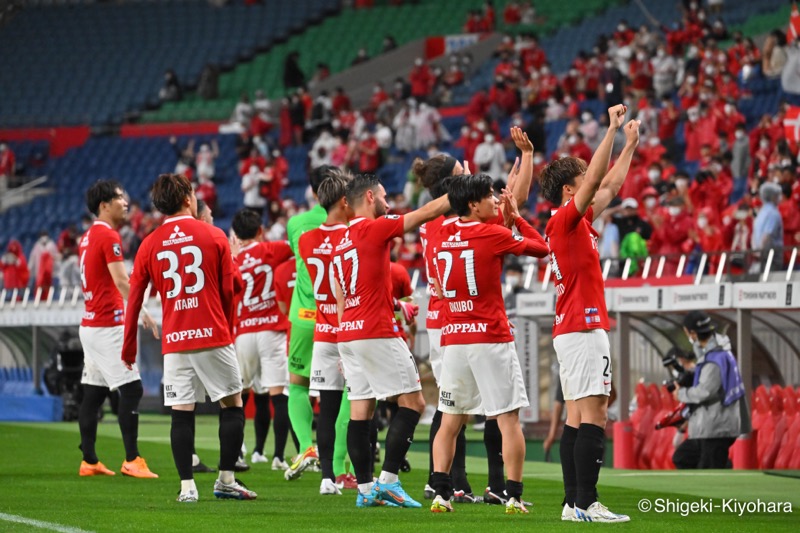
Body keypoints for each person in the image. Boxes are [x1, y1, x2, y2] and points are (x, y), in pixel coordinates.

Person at [122, 173, 256, 503]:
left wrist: (128, 347)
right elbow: (232, 288)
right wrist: (224, 325)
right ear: (187, 199)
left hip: (176, 339)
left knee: (182, 412)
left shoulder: (149, 244)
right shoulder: (213, 236)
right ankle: (226, 480)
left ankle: (187, 487)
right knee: (232, 404)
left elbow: (134, 300)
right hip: (212, 333)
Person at [539, 104, 639, 523]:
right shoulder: (565, 220)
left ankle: (571, 504)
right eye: (582, 180)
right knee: (594, 411)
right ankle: (586, 502)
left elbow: (610, 184)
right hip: (582, 325)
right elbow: (598, 178)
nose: (591, 184)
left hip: (574, 326)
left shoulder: (572, 223)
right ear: (569, 190)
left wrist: (630, 143)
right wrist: (612, 129)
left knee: (578, 418)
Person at [428, 174, 548, 515]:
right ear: (473, 204)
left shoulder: (439, 236)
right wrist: (518, 219)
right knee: (508, 419)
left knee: (450, 420)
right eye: (489, 197)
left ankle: (440, 494)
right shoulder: (494, 235)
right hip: (490, 337)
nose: (495, 201)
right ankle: (512, 496)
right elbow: (542, 249)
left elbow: (437, 283)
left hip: (454, 340)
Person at [333, 173, 450, 508]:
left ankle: (366, 489)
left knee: (361, 411)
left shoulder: (340, 242)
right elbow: (424, 214)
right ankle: (389, 480)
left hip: (349, 333)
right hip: (376, 330)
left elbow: (342, 295)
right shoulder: (375, 227)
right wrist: (458, 189)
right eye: (384, 196)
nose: (388, 202)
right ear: (369, 197)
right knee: (413, 403)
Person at [76, 180, 159, 479]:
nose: (126, 203)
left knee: (94, 392)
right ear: (104, 205)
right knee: (132, 388)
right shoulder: (108, 236)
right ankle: (132, 459)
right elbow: (123, 282)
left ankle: (89, 460)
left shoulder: (86, 238)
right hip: (106, 324)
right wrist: (143, 311)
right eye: (120, 198)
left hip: (90, 324)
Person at [297, 170, 356, 495]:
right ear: (344, 201)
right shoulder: (349, 237)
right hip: (349, 331)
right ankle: (357, 474)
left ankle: (327, 479)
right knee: (360, 405)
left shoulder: (307, 239)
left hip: (322, 332)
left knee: (328, 409)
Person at [283, 165, 338, 481]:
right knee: (346, 391)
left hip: (304, 316)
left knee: (297, 384)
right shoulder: (346, 221)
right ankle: (341, 464)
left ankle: (306, 447)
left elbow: (299, 255)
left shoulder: (296, 223)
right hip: (337, 316)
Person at [230, 209, 294, 471]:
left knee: (242, 394)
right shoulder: (273, 249)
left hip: (243, 331)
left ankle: (240, 452)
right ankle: (278, 457)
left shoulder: (233, 259)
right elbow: (300, 246)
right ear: (260, 231)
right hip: (271, 330)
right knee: (278, 393)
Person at [673, 311, 750, 469]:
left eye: (687, 331)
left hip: (717, 426)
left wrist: (680, 394)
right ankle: (725, 466)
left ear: (692, 332)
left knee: (709, 470)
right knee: (683, 457)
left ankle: (724, 480)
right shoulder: (714, 355)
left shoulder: (715, 359)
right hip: (709, 425)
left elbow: (705, 391)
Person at [751, 182, 784, 272]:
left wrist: (756, 251)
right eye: (777, 196)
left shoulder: (761, 213)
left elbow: (753, 235)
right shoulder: (773, 213)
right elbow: (767, 235)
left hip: (760, 253)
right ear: (773, 197)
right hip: (771, 255)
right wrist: (761, 251)